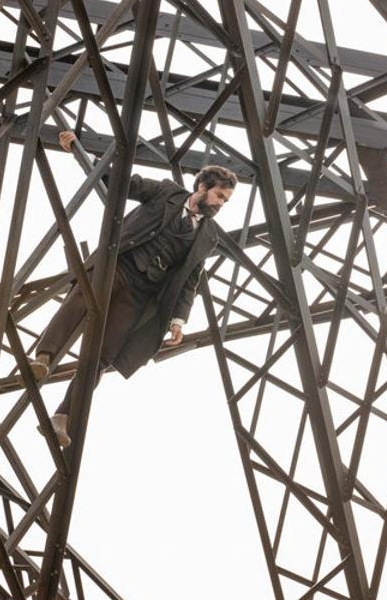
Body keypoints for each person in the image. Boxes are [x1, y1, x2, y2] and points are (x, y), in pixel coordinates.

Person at [31, 130, 236, 447]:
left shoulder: (208, 237)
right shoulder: (167, 192)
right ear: (203, 186)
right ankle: (44, 357)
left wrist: (178, 320)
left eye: (225, 200)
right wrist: (78, 150)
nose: (221, 204)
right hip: (120, 264)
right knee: (82, 298)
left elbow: (190, 281)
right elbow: (118, 182)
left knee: (104, 353)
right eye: (220, 196)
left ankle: (63, 416)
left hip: (143, 292)